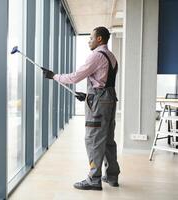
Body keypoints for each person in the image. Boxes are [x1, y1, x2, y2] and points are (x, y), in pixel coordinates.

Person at [42, 26, 120, 191]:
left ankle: (94, 179)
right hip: (110, 99)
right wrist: (87, 96)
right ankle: (112, 176)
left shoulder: (96, 56)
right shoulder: (111, 56)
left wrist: (53, 76)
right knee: (107, 139)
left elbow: (75, 77)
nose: (89, 41)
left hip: (100, 101)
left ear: (99, 39)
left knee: (93, 139)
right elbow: (103, 82)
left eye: (91, 37)